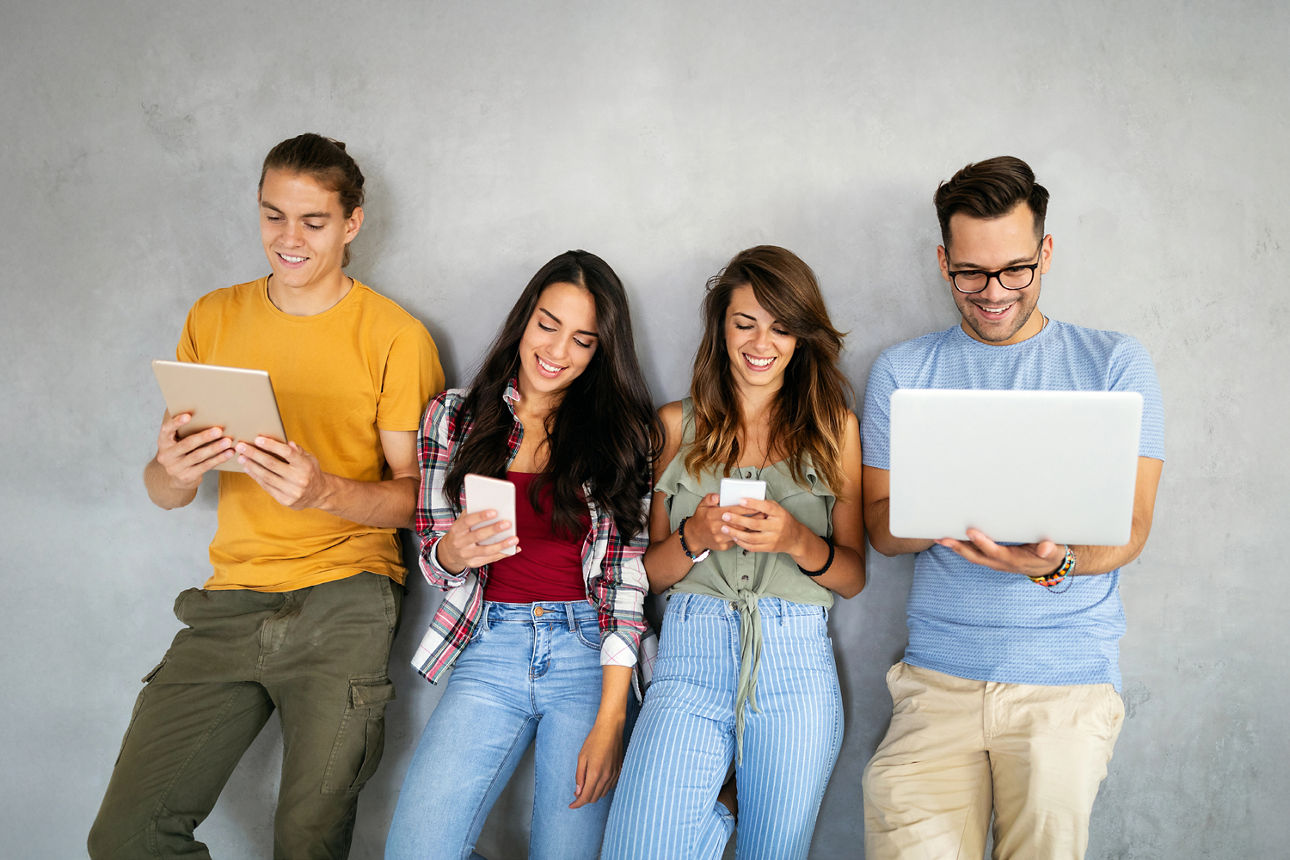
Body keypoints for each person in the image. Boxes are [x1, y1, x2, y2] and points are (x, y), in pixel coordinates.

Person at [87, 133, 444, 860]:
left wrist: (325, 490)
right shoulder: (213, 317)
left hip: (345, 599)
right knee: (125, 839)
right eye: (272, 215)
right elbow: (165, 494)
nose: (289, 239)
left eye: (313, 221)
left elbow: (417, 501)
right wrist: (175, 470)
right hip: (230, 604)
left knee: (307, 845)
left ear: (353, 223)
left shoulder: (396, 337)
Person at [859, 156, 1166, 859]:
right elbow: (879, 524)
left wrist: (1053, 564)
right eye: (971, 273)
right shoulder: (903, 371)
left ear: (1046, 254)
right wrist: (939, 510)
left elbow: (1134, 527)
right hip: (937, 683)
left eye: (1015, 270)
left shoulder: (1114, 363)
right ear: (943, 262)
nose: (993, 293)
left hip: (1064, 687)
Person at [384, 250, 661, 860]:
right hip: (489, 645)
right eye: (548, 325)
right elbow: (434, 556)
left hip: (589, 655)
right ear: (524, 319)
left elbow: (624, 579)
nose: (558, 351)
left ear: (600, 352)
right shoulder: (453, 417)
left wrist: (613, 716)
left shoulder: (622, 435)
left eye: (583, 340)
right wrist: (454, 551)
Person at [601, 245, 866, 860]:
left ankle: (729, 807)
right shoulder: (674, 426)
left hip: (794, 667)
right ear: (721, 327)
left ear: (801, 337)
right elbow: (647, 577)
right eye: (745, 323)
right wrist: (695, 537)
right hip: (689, 661)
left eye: (780, 327)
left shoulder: (835, 429)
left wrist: (797, 540)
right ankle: (723, 805)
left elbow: (851, 577)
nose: (760, 342)